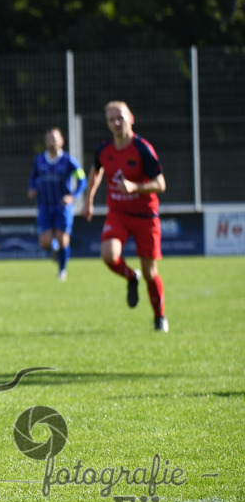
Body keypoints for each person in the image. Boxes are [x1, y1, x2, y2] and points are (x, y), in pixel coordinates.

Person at [82, 101, 168, 332]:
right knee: (109, 255)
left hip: (145, 215)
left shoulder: (143, 149)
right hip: (118, 213)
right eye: (111, 120)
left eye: (120, 118)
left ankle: (159, 317)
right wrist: (88, 199)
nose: (116, 123)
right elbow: (95, 171)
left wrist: (135, 187)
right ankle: (131, 277)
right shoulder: (103, 149)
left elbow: (160, 184)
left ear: (131, 118)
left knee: (151, 272)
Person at [28, 127, 87, 281]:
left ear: (62, 141)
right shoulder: (39, 160)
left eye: (54, 138)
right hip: (44, 206)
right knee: (45, 242)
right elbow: (33, 177)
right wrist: (32, 188)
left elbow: (82, 180)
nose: (51, 142)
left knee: (62, 239)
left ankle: (62, 270)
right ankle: (54, 250)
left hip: (63, 206)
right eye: (48, 139)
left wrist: (73, 196)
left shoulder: (69, 161)